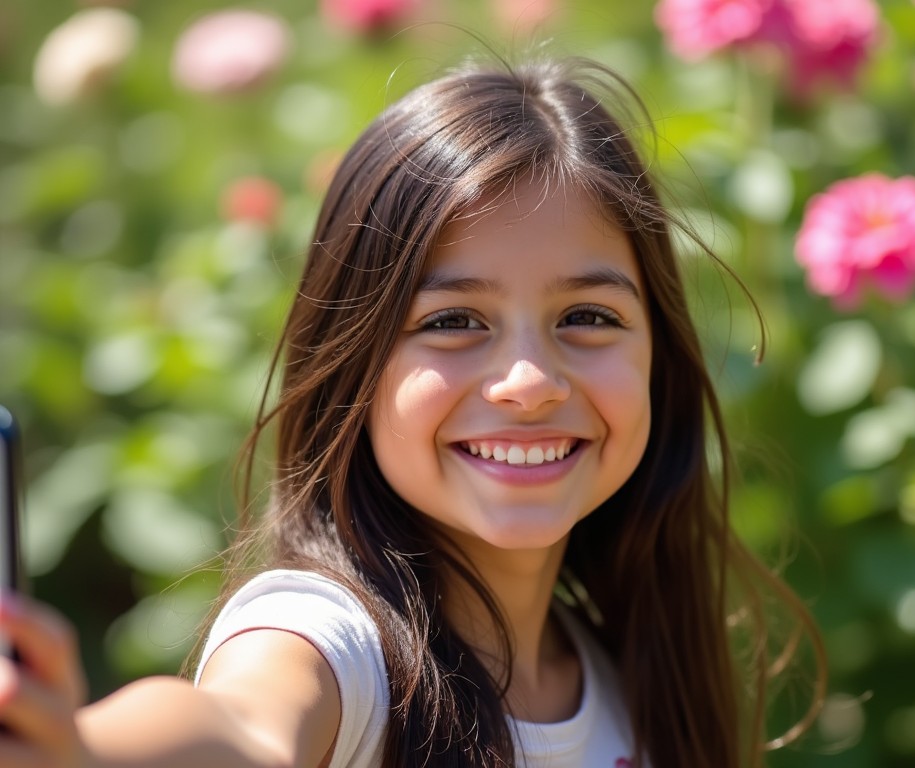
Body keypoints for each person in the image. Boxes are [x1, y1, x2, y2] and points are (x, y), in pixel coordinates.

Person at [0, 56, 824, 767]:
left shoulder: (632, 680)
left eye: (589, 317)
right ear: (350, 360)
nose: (529, 381)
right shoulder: (339, 647)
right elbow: (244, 728)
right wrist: (80, 748)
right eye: (454, 322)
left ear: (660, 358)